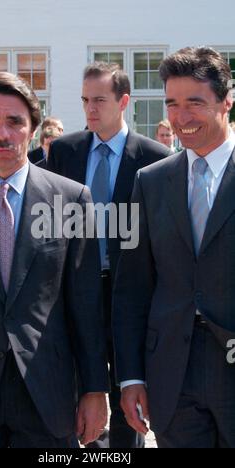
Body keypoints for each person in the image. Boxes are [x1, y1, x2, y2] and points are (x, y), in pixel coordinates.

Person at [0, 72, 109, 448]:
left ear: (32, 130)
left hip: (48, 395)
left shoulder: (72, 200)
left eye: (15, 122)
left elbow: (87, 305)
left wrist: (96, 390)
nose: (3, 134)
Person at [113, 47, 235, 448]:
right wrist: (131, 376)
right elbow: (131, 286)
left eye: (194, 103)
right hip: (171, 377)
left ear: (227, 102)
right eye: (172, 104)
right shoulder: (149, 182)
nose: (180, 118)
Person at [47, 62, 170, 448]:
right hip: (76, 290)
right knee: (80, 384)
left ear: (125, 101)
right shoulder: (65, 151)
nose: (90, 110)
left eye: (99, 100)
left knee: (127, 387)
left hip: (129, 293)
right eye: (85, 100)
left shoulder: (155, 157)